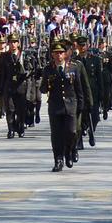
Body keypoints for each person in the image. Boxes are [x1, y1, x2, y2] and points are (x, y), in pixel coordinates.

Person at [41, 39, 82, 172]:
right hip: (55, 106)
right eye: (56, 53)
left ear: (65, 54)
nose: (58, 55)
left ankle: (70, 150)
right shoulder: (48, 69)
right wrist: (44, 80)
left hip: (71, 105)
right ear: (52, 54)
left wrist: (81, 105)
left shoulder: (73, 67)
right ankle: (58, 160)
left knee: (72, 131)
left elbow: (79, 88)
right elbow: (43, 89)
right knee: (56, 135)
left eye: (61, 52)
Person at [0, 35, 29, 139]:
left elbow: (30, 69)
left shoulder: (23, 55)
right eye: (11, 42)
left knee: (21, 110)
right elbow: (1, 73)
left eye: (15, 42)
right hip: (9, 86)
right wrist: (0, 87)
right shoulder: (4, 56)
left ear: (18, 43)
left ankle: (21, 128)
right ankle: (10, 129)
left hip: (21, 86)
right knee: (10, 109)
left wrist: (25, 72)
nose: (13, 44)